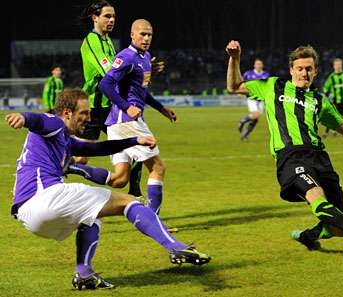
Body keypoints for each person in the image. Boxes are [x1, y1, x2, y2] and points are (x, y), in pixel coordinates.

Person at [5, 89, 210, 290]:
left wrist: (134, 140)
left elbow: (97, 148)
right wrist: (22, 117)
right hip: (47, 197)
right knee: (129, 202)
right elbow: (37, 121)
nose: (89, 117)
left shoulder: (63, 140)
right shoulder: (55, 122)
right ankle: (175, 247)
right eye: (84, 112)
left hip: (29, 216)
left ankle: (84, 274)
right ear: (67, 112)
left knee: (91, 219)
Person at [226, 40, 343, 250]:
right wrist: (235, 58)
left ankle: (310, 235)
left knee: (337, 229)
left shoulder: (319, 100)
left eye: (309, 69)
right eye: (300, 69)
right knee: (315, 193)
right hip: (290, 157)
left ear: (316, 72)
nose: (304, 73)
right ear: (291, 70)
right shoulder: (273, 86)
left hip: (320, 158)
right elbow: (234, 87)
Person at [98, 19, 177, 216]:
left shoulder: (145, 57)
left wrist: (161, 108)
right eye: (142, 34)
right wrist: (127, 107)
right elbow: (105, 84)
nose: (146, 38)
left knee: (120, 179)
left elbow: (142, 91)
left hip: (118, 123)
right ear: (132, 35)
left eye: (149, 34)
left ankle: (74, 169)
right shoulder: (126, 57)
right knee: (158, 167)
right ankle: (153, 220)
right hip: (127, 122)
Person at [76, 1, 143, 198]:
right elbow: (109, 73)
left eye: (113, 16)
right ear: (94, 18)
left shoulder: (107, 41)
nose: (112, 20)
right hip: (96, 107)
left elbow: (119, 69)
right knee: (81, 157)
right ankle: (53, 179)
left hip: (110, 104)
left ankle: (135, 195)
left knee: (137, 144)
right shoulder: (91, 41)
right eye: (107, 16)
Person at [237, 58, 270, 141]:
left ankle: (245, 135)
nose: (259, 65)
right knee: (256, 114)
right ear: (254, 65)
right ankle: (242, 121)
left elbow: (267, 86)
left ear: (262, 65)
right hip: (251, 98)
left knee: (256, 119)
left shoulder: (266, 74)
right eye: (257, 64)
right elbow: (242, 83)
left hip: (261, 99)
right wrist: (239, 91)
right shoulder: (248, 74)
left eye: (260, 64)